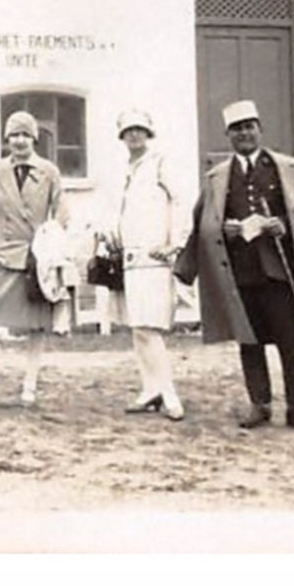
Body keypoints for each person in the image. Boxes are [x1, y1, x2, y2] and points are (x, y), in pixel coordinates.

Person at [174, 99, 294, 432]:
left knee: (289, 340)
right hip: (240, 274)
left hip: (280, 273)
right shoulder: (218, 177)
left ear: (260, 130)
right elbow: (202, 222)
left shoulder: (287, 170)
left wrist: (285, 228)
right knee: (249, 341)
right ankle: (259, 405)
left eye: (249, 127)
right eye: (237, 129)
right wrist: (225, 230)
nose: (244, 134)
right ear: (228, 136)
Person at [0, 110, 70, 408]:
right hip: (2, 256)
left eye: (25, 135)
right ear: (6, 139)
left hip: (35, 259)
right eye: (14, 135)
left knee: (35, 325)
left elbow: (61, 212)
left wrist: (51, 242)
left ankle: (30, 385)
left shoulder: (49, 171)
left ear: (35, 138)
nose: (19, 141)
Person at [104, 109, 186, 421]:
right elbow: (118, 209)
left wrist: (173, 243)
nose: (134, 135)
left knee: (150, 327)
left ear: (148, 133)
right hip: (129, 257)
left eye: (139, 130)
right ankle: (150, 388)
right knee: (137, 327)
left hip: (155, 256)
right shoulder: (123, 169)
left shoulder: (160, 163)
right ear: (122, 136)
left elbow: (178, 202)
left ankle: (169, 393)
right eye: (128, 131)